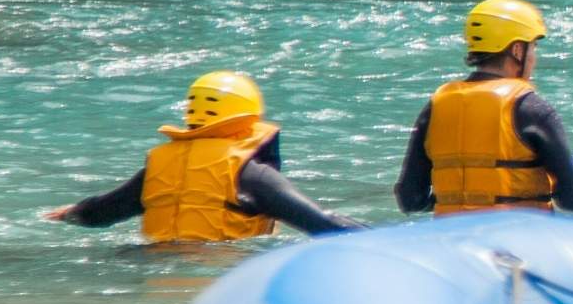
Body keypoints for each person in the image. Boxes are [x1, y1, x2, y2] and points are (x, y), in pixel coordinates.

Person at [39, 71, 365, 242]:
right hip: (222, 271)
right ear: (248, 117)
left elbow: (101, 213)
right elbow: (322, 225)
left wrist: (73, 212)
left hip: (157, 271)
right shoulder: (251, 173)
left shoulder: (160, 166)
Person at [392, 0, 573, 216]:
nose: (534, 57)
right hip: (519, 240)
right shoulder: (532, 108)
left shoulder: (436, 106)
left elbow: (410, 199)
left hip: (452, 239)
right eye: (533, 47)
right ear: (517, 50)